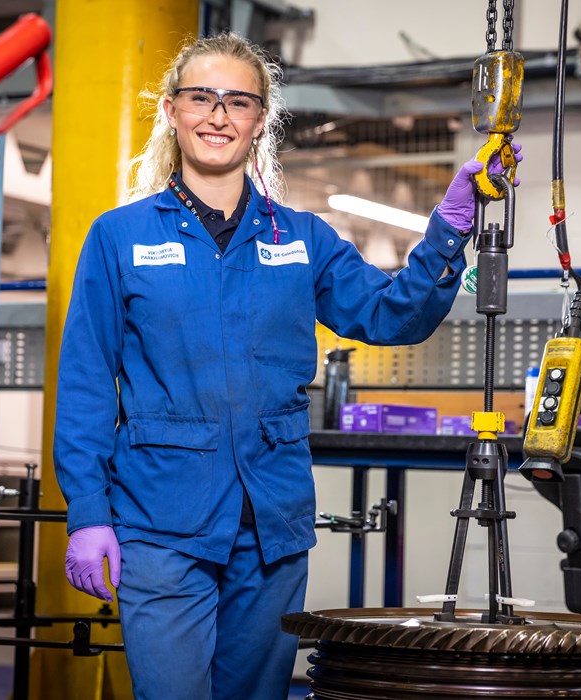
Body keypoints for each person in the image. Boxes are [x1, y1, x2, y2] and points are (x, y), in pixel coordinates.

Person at [54, 32, 522, 700]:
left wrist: (452, 223)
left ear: (259, 123)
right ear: (170, 111)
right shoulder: (121, 237)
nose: (218, 115)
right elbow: (87, 387)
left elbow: (394, 315)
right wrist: (89, 513)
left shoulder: (301, 240)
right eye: (201, 97)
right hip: (160, 521)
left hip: (270, 523)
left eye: (239, 102)